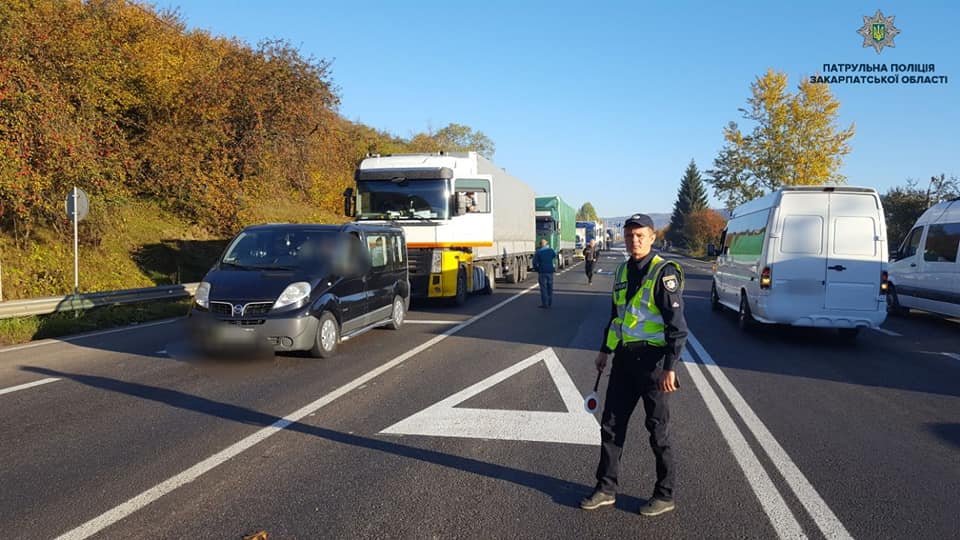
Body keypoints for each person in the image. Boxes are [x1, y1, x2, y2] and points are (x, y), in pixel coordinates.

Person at [580, 213, 688, 517]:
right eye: (630, 236)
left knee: (658, 431)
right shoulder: (623, 271)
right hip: (625, 360)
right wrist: (605, 350)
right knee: (611, 426)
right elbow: (617, 317)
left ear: (652, 237)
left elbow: (677, 326)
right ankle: (606, 488)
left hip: (654, 364)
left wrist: (671, 367)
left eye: (640, 235)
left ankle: (665, 494)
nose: (634, 241)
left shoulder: (663, 273)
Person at [532, 238, 557, 308]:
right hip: (550, 271)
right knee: (550, 287)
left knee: (543, 288)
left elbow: (534, 262)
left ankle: (545, 304)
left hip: (542, 271)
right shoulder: (550, 250)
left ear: (540, 245)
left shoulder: (538, 252)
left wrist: (537, 269)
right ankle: (550, 302)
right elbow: (554, 256)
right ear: (546, 244)